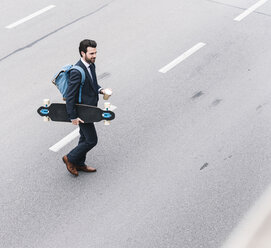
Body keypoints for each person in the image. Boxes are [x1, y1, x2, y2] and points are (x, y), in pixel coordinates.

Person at [62, 39, 111, 176]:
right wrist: (72, 116)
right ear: (82, 53)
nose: (94, 55)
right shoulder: (77, 72)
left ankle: (79, 163)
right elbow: (70, 96)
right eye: (91, 53)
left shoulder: (91, 65)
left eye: (95, 52)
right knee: (91, 140)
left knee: (84, 137)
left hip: (90, 110)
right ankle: (70, 158)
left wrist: (101, 90)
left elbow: (93, 84)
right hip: (82, 111)